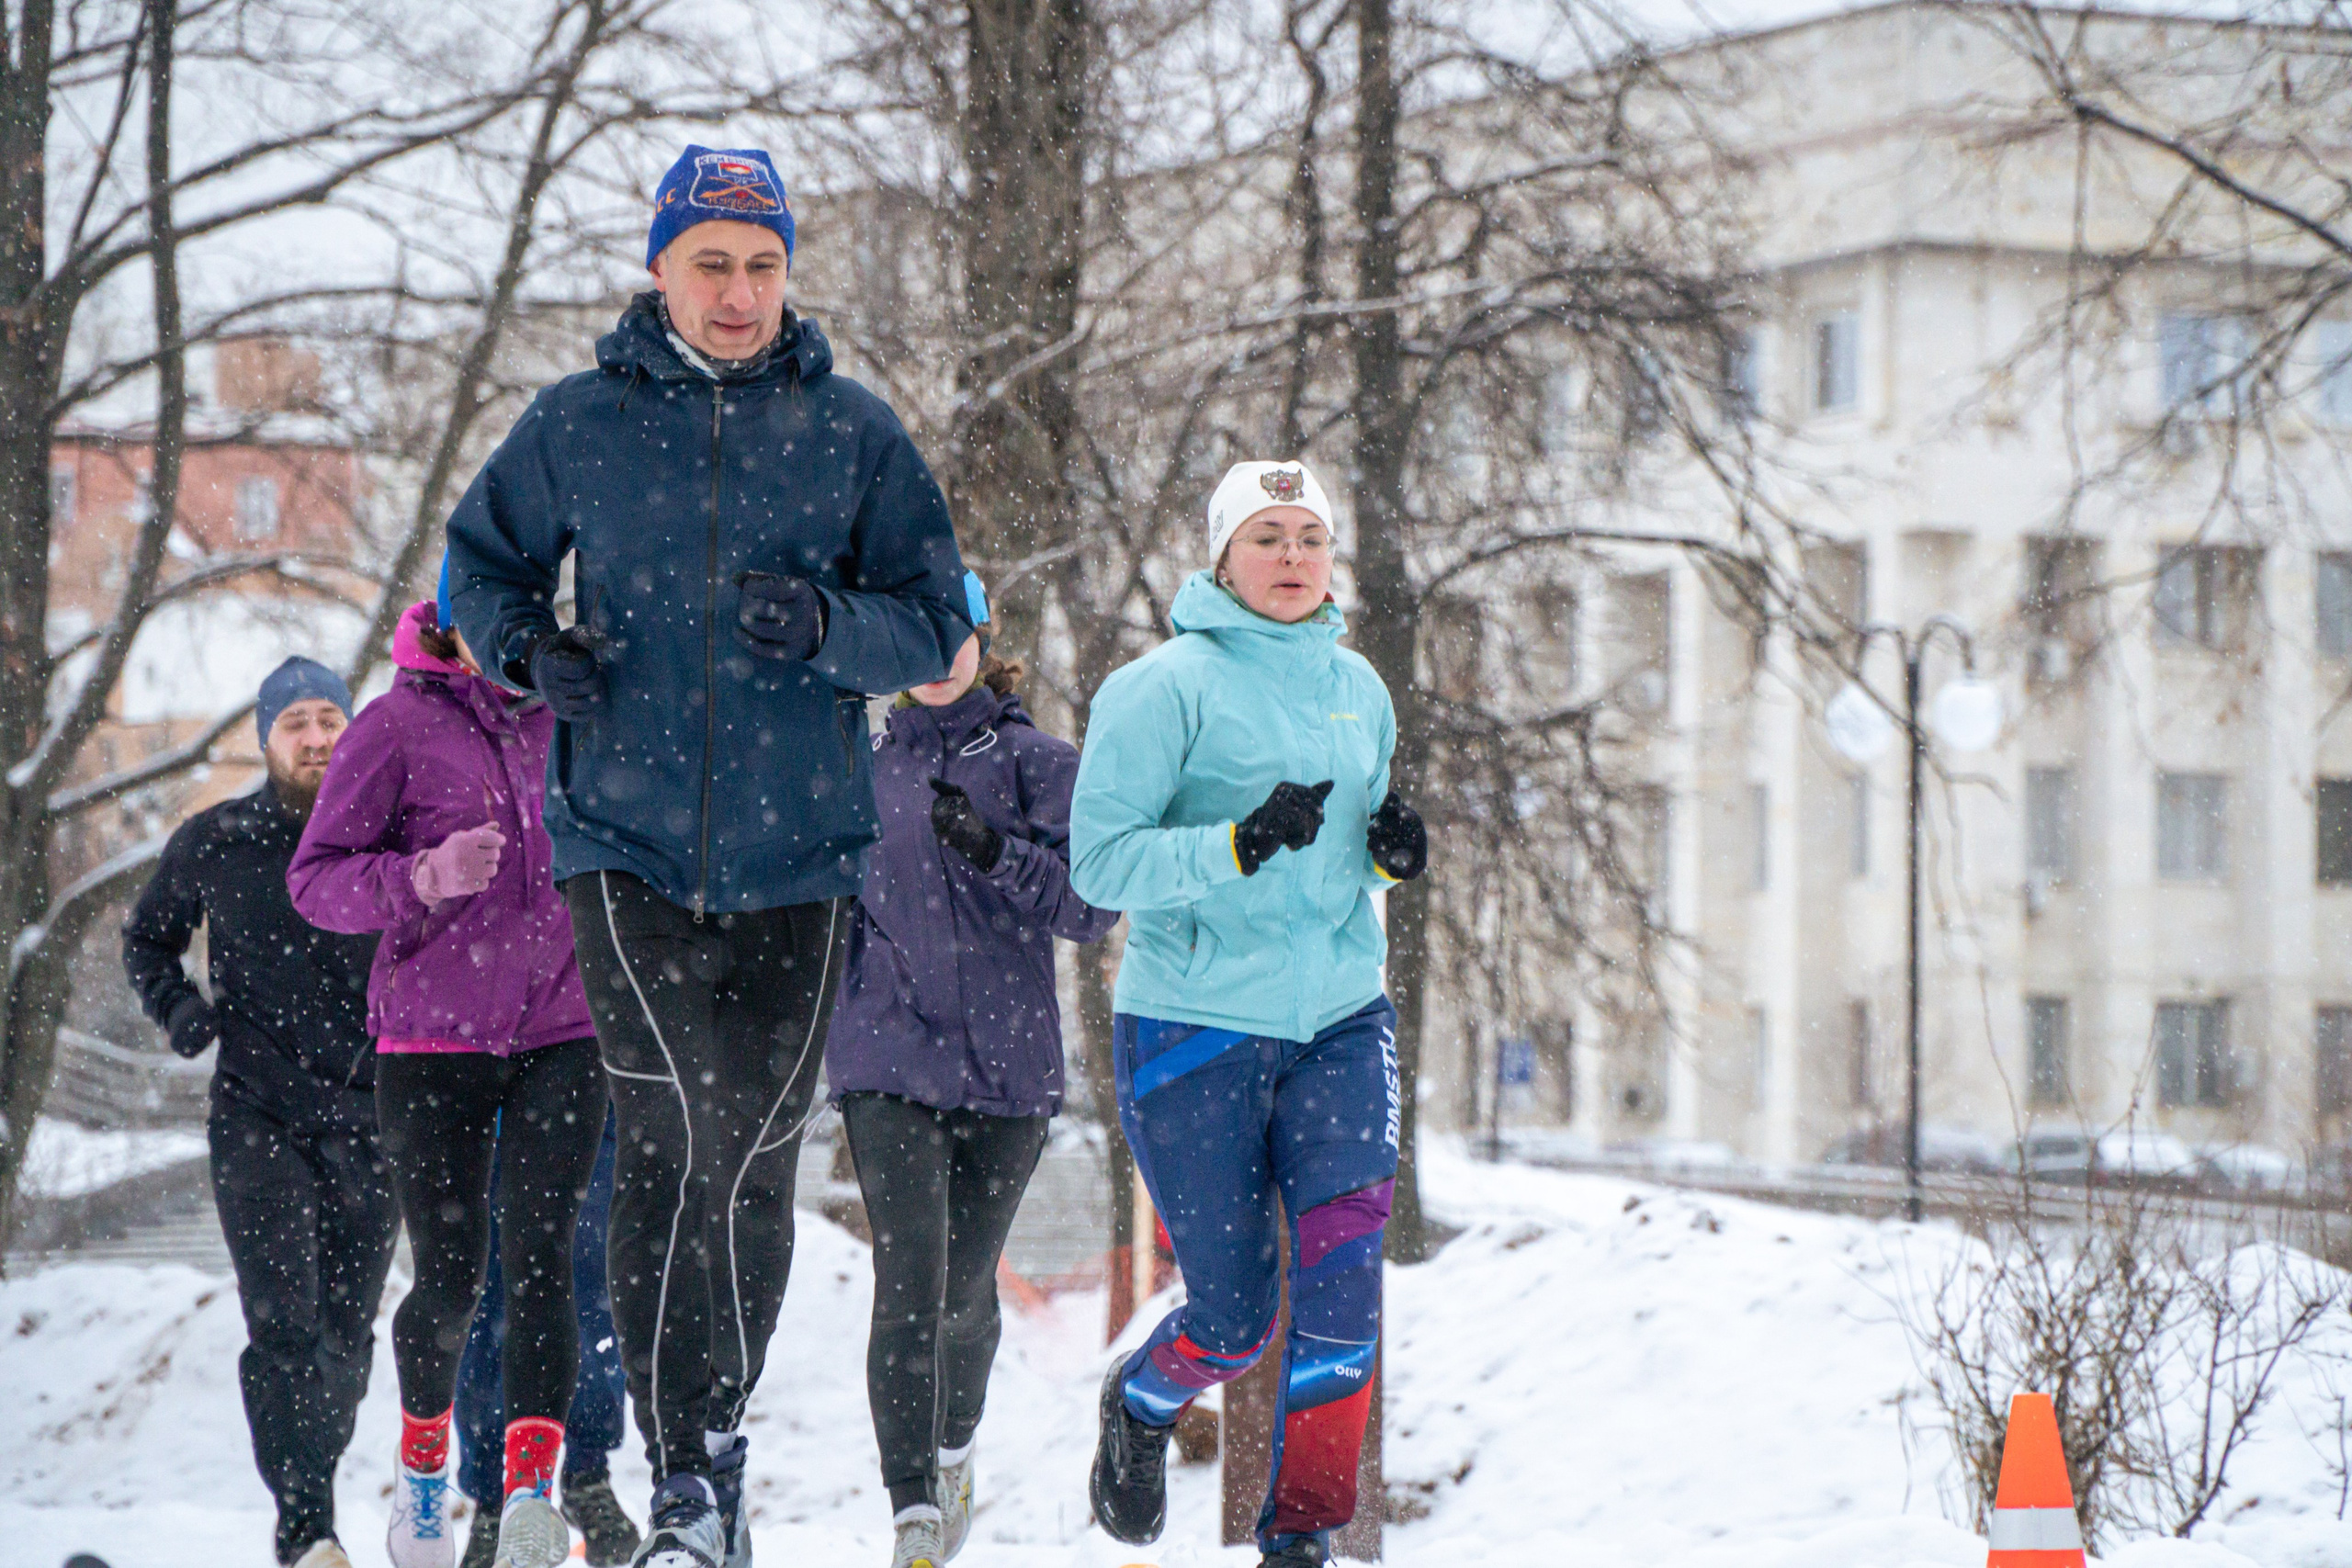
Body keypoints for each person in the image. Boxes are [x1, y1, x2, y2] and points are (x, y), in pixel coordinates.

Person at [444, 143, 972, 1568]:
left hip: (803, 852)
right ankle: (686, 1478)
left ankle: (709, 1462)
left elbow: (938, 624)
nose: (738, 293)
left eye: (761, 264)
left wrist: (833, 628)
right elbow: (475, 567)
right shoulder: (580, 421)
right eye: (711, 263)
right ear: (660, 269)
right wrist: (525, 652)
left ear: (787, 272)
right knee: (680, 1124)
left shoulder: (854, 432)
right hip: (619, 840)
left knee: (746, 1158)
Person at [1066, 461, 1430, 1568]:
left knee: (1346, 1278)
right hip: (1194, 1023)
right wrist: (1234, 843)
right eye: (1265, 537)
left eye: (1308, 538)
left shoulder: (1357, 688)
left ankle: (1302, 1538)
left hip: (1337, 1015)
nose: (1290, 558)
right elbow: (1100, 862)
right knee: (1234, 1321)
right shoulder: (1160, 687)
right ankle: (1141, 1403)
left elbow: (1351, 847)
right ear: (1221, 557)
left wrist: (1389, 853)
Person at [288, 599, 606, 1568]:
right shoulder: (394, 726)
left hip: (564, 1029)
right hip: (434, 1041)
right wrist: (422, 875)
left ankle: (528, 1498)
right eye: (489, 614)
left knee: (545, 1259)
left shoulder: (576, 719)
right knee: (454, 1279)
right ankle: (425, 1468)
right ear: (451, 625)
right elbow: (316, 879)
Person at [824, 573, 1116, 1568]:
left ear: (982, 637)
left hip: (1007, 1067)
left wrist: (997, 852)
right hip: (885, 1058)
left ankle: (952, 1447)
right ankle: (910, 1507)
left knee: (960, 1292)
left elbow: (1092, 908)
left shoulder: (1041, 762)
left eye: (949, 629)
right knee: (908, 1273)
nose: (932, 648)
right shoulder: (857, 767)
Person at [122, 658, 390, 1568]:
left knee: (346, 1336)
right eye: (295, 724)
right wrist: (182, 1011)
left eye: (329, 719)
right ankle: (307, 1524)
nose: (316, 737)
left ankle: (309, 1492)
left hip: (374, 1120)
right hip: (257, 1117)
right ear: (266, 739)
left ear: (351, 728)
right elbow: (147, 939)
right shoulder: (214, 841)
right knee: (282, 1325)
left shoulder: (388, 835)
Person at [450, 1109, 637, 1568]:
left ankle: (586, 1473)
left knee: (588, 1289)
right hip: (485, 1090)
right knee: (489, 1301)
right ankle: (496, 1498)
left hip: (588, 1083)